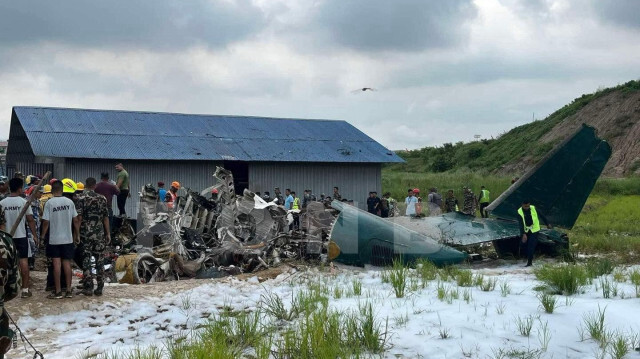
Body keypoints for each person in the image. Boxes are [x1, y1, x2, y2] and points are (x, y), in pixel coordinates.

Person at [0, 178, 38, 298]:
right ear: (20, 188)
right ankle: (25, 290)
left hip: (6, 238)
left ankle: (6, 289)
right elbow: (30, 220)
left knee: (5, 263)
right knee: (23, 262)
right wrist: (35, 235)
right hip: (21, 236)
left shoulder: (2, 203)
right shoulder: (23, 202)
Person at [41, 180, 79, 299]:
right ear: (62, 190)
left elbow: (46, 222)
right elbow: (76, 220)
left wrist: (43, 235)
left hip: (54, 239)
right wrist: (77, 234)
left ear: (52, 190)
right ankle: (68, 290)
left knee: (56, 264)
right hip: (67, 238)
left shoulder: (49, 203)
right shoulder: (69, 202)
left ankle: (58, 291)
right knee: (67, 264)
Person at [78, 177, 110, 296]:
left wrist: (76, 234)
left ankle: (88, 286)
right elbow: (105, 217)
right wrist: (108, 233)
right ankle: (100, 286)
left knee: (86, 260)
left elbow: (79, 218)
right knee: (99, 259)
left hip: (85, 233)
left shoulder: (81, 198)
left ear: (86, 185)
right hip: (99, 233)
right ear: (95, 185)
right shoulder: (102, 199)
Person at [517, 200, 551, 267]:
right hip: (526, 230)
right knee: (523, 244)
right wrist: (523, 234)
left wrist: (547, 223)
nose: (527, 207)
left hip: (535, 229)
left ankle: (529, 262)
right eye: (525, 206)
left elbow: (542, 216)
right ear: (522, 205)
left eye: (528, 206)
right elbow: (520, 224)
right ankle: (526, 256)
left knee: (531, 245)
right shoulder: (519, 212)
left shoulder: (533, 208)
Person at [25, 185, 43, 271]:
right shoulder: (27, 201)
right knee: (31, 243)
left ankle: (32, 262)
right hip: (29, 227)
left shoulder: (38, 202)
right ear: (35, 192)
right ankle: (29, 262)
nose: (42, 194)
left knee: (36, 244)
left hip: (37, 226)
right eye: (40, 192)